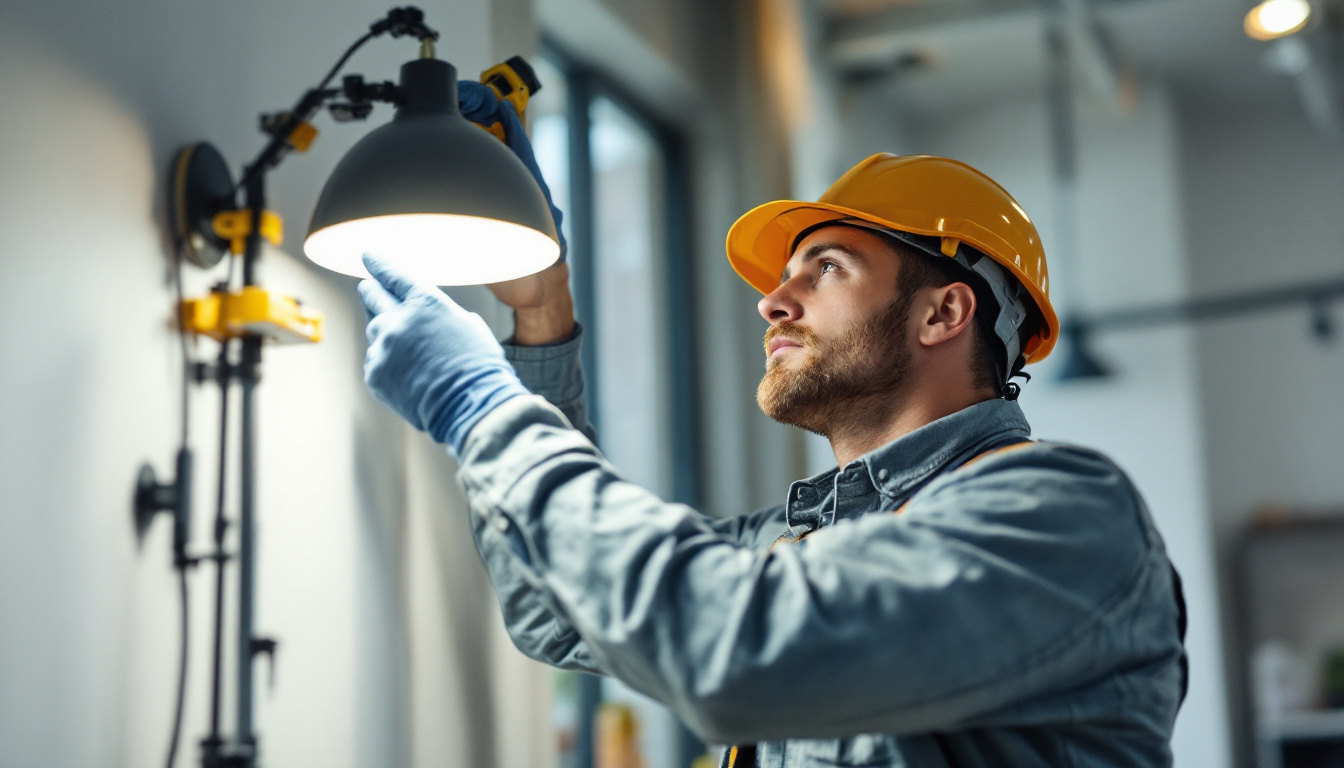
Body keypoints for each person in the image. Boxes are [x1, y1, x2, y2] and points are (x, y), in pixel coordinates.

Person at [356, 82, 1188, 767]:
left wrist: (482, 405)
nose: (772, 301)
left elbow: (739, 651)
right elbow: (555, 609)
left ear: (943, 312)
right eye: (785, 274)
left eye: (825, 267)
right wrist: (543, 316)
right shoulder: (794, 543)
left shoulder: (1060, 517)